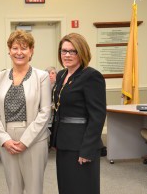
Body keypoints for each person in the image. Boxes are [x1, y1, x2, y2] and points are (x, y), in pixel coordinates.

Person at [0, 29, 52, 194]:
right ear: (9, 50)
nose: (19, 52)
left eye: (24, 48)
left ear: (31, 51)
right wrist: (4, 139)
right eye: (15, 48)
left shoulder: (42, 77)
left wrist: (25, 141)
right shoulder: (0, 77)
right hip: (7, 139)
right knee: (14, 189)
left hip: (34, 139)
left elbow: (45, 112)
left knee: (34, 189)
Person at [52, 33, 106, 194]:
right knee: (67, 187)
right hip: (64, 143)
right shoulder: (62, 75)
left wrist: (87, 149)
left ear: (81, 52)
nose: (67, 55)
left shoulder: (91, 76)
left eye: (72, 51)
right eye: (64, 51)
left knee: (83, 188)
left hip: (81, 144)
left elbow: (97, 116)